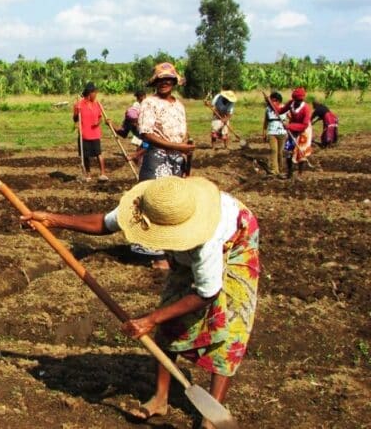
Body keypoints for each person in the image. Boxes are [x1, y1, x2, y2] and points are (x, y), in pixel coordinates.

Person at [21, 176, 259, 429]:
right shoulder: (148, 205)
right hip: (190, 252)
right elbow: (104, 222)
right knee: (170, 316)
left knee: (229, 329)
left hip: (236, 244)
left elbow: (207, 293)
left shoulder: (206, 241)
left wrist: (150, 319)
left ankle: (212, 418)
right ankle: (159, 398)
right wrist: (53, 219)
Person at [136, 62, 194, 269]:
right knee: (154, 204)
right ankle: (156, 255)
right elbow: (146, 134)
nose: (164, 83)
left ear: (174, 82)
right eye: (161, 80)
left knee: (173, 205)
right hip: (158, 159)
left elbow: (183, 132)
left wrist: (184, 149)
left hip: (177, 160)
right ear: (155, 82)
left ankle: (171, 251)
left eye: (168, 80)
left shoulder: (178, 105)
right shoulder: (149, 103)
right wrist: (176, 146)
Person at [73, 82, 108, 181]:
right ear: (90, 93)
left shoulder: (97, 104)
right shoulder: (79, 104)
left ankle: (103, 174)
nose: (96, 95)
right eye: (95, 93)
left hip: (95, 134)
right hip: (84, 134)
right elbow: (75, 119)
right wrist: (77, 111)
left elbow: (100, 117)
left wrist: (98, 123)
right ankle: (88, 174)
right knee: (86, 156)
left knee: (98, 154)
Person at [277, 87, 313, 179]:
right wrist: (271, 104)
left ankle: (300, 174)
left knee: (301, 153)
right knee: (289, 151)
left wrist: (289, 126)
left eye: (300, 100)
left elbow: (304, 125)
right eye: (296, 100)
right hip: (292, 130)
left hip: (304, 131)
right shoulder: (291, 103)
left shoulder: (306, 108)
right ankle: (289, 173)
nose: (297, 102)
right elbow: (280, 111)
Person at [262, 91, 288, 176]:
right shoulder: (268, 109)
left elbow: (291, 117)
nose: (273, 102)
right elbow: (266, 121)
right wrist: (264, 132)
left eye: (274, 100)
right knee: (273, 150)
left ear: (278, 101)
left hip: (282, 132)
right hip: (271, 132)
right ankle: (274, 170)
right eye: (271, 100)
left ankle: (280, 169)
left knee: (280, 152)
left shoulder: (284, 107)